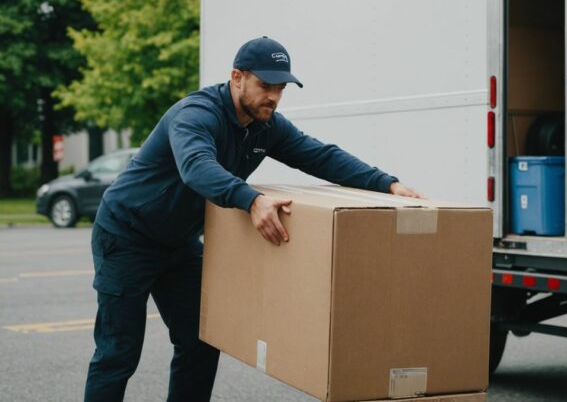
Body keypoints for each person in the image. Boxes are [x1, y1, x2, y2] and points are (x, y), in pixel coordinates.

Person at [84, 36, 421, 402]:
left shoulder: (266, 125)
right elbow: (197, 168)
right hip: (126, 235)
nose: (273, 97)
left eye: (280, 88)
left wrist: (387, 183)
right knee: (118, 354)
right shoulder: (195, 115)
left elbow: (320, 156)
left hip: (176, 244)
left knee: (202, 341)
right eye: (265, 85)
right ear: (237, 77)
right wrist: (252, 200)